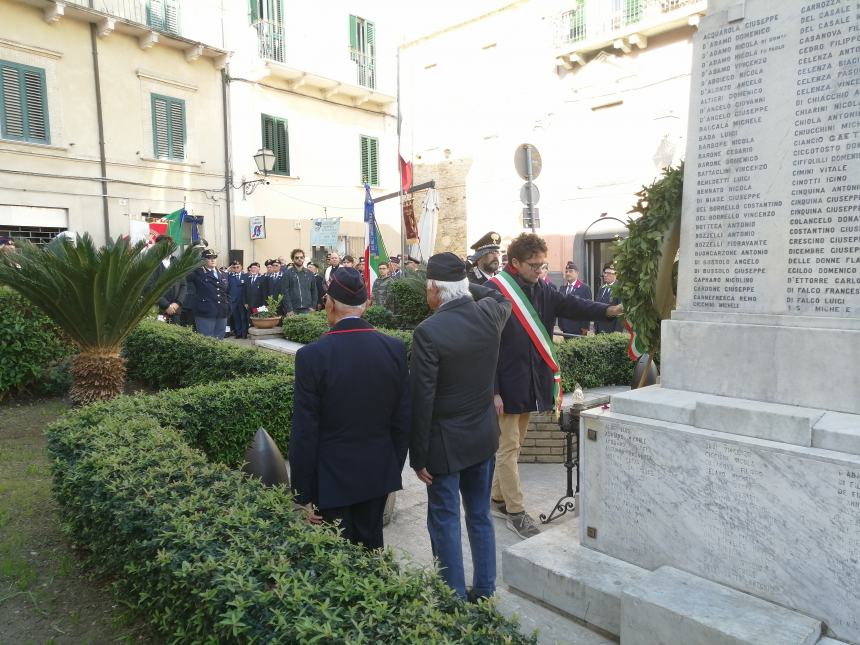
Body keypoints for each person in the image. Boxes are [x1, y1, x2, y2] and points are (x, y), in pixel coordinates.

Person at [487, 233, 622, 539]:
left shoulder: (542, 289)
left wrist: (608, 311)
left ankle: (497, 499)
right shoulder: (493, 292)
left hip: (529, 382)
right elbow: (486, 346)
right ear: (515, 263)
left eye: (543, 264)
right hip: (505, 385)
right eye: (534, 265)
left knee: (515, 444)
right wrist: (493, 389)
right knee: (508, 448)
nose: (540, 270)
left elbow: (573, 304)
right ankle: (516, 512)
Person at [410, 253, 511, 602]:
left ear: (435, 291)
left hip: (444, 445)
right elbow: (499, 297)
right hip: (483, 437)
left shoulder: (428, 331)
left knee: (445, 520)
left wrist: (417, 455)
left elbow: (422, 399)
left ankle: (451, 599)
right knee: (480, 516)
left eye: (428, 289)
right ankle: (484, 590)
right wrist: (470, 286)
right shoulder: (489, 315)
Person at [289, 267, 411, 549]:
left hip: (331, 477)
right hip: (378, 471)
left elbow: (305, 429)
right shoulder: (393, 348)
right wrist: (391, 466)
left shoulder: (312, 356)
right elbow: (402, 419)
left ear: (329, 304)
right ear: (366, 304)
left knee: (337, 559)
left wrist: (301, 494)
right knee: (371, 549)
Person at [189, 249, 231, 339]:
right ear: (203, 260)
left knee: (219, 339)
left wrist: (228, 306)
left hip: (222, 312)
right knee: (206, 339)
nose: (213, 260)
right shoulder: (197, 273)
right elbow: (185, 274)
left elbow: (226, 293)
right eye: (209, 258)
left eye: (214, 257)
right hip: (206, 312)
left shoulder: (223, 274)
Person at [146, 235, 187, 323]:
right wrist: (166, 305)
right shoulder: (151, 263)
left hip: (176, 310)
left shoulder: (176, 262)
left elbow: (183, 285)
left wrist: (177, 303)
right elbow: (150, 287)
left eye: (170, 246)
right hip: (158, 310)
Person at [557, 261, 593, 336]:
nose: (567, 273)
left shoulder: (584, 288)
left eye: (570, 271)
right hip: (565, 327)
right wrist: (560, 323)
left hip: (579, 328)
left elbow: (588, 309)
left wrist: (585, 326)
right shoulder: (562, 288)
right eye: (566, 271)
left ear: (577, 273)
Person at [282, 248, 318, 316]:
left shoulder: (309, 273)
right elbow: (285, 293)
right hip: (293, 310)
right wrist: (289, 309)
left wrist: (313, 306)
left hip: (308, 309)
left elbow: (314, 291)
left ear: (304, 259)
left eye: (301, 257)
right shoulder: (287, 274)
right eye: (297, 257)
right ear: (293, 259)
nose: (299, 259)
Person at [595, 263, 622, 333]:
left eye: (609, 273)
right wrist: (596, 326)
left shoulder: (620, 288)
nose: (605, 275)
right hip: (600, 329)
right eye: (605, 273)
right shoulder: (602, 288)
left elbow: (621, 312)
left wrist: (617, 331)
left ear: (615, 275)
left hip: (612, 329)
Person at [226, 260, 249, 338]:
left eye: (237, 267)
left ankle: (244, 333)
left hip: (242, 301)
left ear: (241, 267)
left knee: (243, 317)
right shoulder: (230, 277)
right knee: (236, 318)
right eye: (234, 267)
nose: (236, 268)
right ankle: (238, 333)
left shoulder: (246, 276)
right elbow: (228, 289)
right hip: (233, 301)